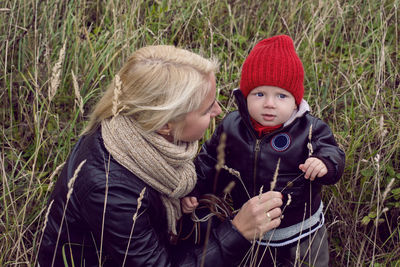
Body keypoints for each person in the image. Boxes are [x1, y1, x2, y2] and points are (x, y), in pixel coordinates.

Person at [37, 45, 283, 267]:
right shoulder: (110, 192)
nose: (219, 110)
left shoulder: (139, 136)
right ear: (166, 124)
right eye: (208, 108)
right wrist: (237, 232)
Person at [182, 35, 346, 266]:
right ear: (245, 95)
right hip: (250, 230)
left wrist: (325, 163)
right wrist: (195, 189)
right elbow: (210, 161)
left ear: (295, 100)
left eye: (281, 95)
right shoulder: (232, 125)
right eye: (260, 94)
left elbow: (333, 153)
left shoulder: (309, 129)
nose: (270, 103)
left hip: (301, 231)